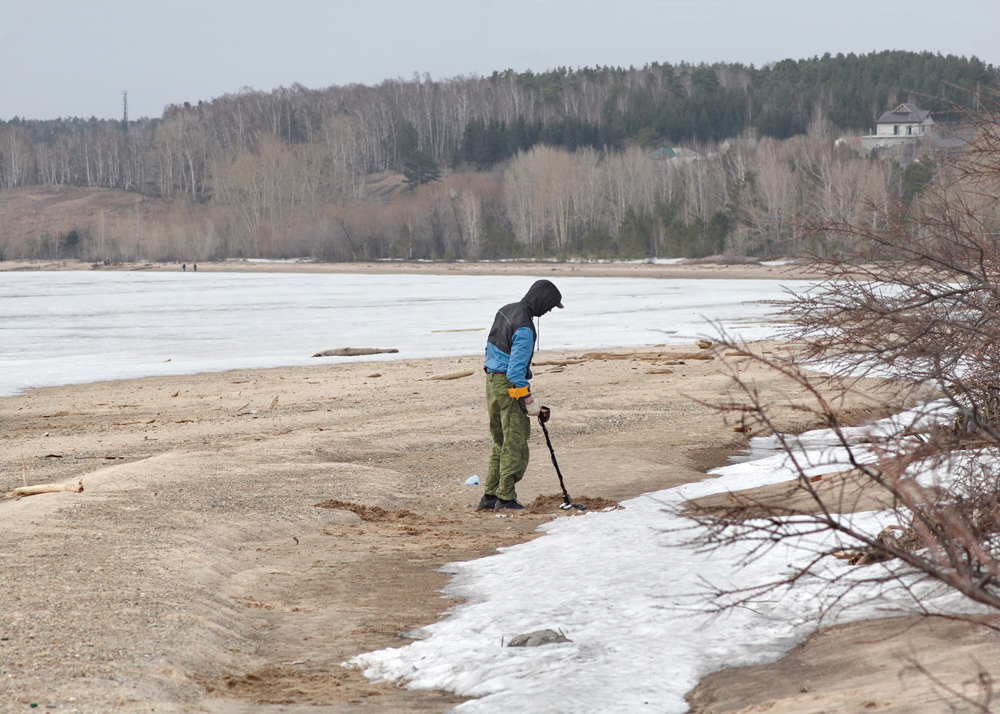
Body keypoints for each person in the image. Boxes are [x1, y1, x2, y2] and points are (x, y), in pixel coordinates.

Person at [479, 279, 563, 511]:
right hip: (508, 385)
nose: (547, 312)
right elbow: (516, 372)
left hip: (491, 382)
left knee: (500, 441)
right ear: (542, 300)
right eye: (549, 306)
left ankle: (489, 496)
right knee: (514, 443)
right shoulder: (525, 327)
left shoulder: (505, 310)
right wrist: (530, 402)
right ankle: (505, 498)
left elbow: (490, 347)